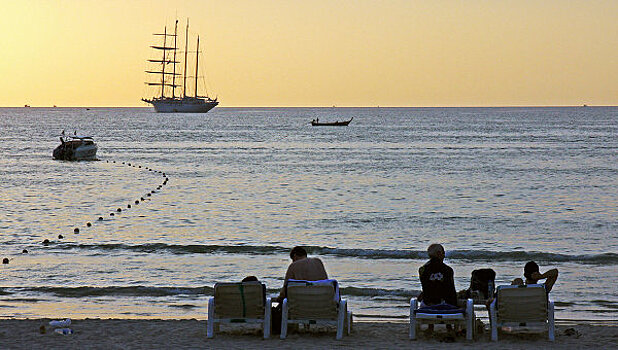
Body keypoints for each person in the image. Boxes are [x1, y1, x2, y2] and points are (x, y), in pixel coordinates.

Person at [272, 246, 328, 334]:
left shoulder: (293, 266)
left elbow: (284, 291)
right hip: (322, 306)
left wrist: (278, 299)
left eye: (292, 259)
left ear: (295, 256)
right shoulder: (318, 262)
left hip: (300, 309)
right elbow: (326, 283)